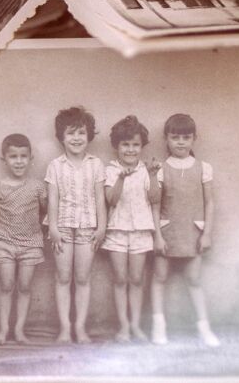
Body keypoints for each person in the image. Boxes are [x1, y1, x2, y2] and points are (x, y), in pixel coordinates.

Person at [150, 114, 220, 347]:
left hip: (192, 232)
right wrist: (157, 236)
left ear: (194, 139)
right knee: (159, 277)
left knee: (194, 279)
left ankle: (204, 328)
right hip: (167, 232)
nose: (180, 142)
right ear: (166, 139)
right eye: (175, 137)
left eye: (186, 137)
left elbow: (209, 202)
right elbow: (155, 205)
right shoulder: (161, 169)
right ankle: (159, 328)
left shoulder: (203, 168)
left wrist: (207, 233)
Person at [46, 106, 106, 344]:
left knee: (82, 278)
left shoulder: (96, 164)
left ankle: (80, 328)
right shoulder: (55, 165)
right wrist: (52, 228)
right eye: (70, 133)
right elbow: (53, 199)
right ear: (61, 137)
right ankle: (64, 328)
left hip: (88, 228)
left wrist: (101, 227)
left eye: (81, 132)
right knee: (63, 277)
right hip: (61, 228)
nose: (76, 138)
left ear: (89, 135)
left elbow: (100, 198)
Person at [102, 116, 159, 343]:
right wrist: (120, 179)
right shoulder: (110, 170)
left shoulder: (147, 170)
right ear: (116, 146)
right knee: (120, 279)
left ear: (142, 146)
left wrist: (152, 176)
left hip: (141, 231)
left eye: (135, 144)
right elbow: (111, 199)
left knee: (136, 279)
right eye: (125, 144)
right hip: (117, 230)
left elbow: (155, 198)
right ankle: (123, 326)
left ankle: (135, 325)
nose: (130, 149)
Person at [0, 134, 46, 345]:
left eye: (23, 156)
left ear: (31, 158)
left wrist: (36, 233)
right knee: (6, 285)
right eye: (13, 156)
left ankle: (19, 330)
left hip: (31, 244)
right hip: (5, 243)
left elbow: (44, 212)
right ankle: (3, 330)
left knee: (24, 286)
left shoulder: (38, 187)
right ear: (4, 159)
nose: (19, 161)